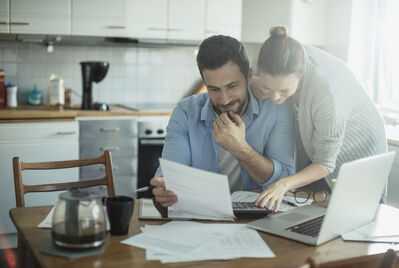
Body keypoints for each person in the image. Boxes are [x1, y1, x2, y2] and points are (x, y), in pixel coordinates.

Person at [150, 35, 295, 207]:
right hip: (200, 215)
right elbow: (172, 173)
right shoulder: (186, 112)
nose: (225, 99)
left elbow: (284, 179)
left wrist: (240, 149)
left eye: (232, 86)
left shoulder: (276, 110)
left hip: (257, 216)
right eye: (214, 89)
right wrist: (165, 188)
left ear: (249, 76)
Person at [252, 26, 387, 211]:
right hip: (320, 151)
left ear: (301, 74)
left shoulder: (326, 90)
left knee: (359, 212)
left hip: (360, 143)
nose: (275, 98)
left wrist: (284, 184)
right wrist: (256, 84)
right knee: (311, 214)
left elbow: (324, 163)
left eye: (284, 90)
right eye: (268, 87)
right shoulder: (283, 56)